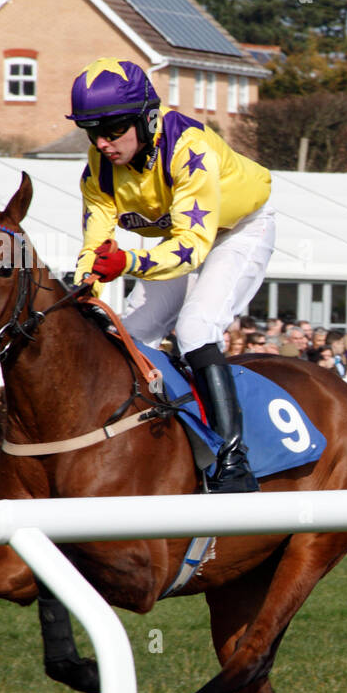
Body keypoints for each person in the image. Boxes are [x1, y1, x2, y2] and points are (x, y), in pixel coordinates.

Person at [68, 57, 274, 494]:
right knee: (124, 333)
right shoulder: (99, 167)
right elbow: (95, 243)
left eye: (113, 130)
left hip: (236, 233)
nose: (103, 143)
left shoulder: (188, 147)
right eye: (93, 132)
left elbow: (192, 248)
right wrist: (85, 289)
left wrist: (127, 263)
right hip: (175, 242)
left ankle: (231, 457)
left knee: (196, 327)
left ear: (146, 119)